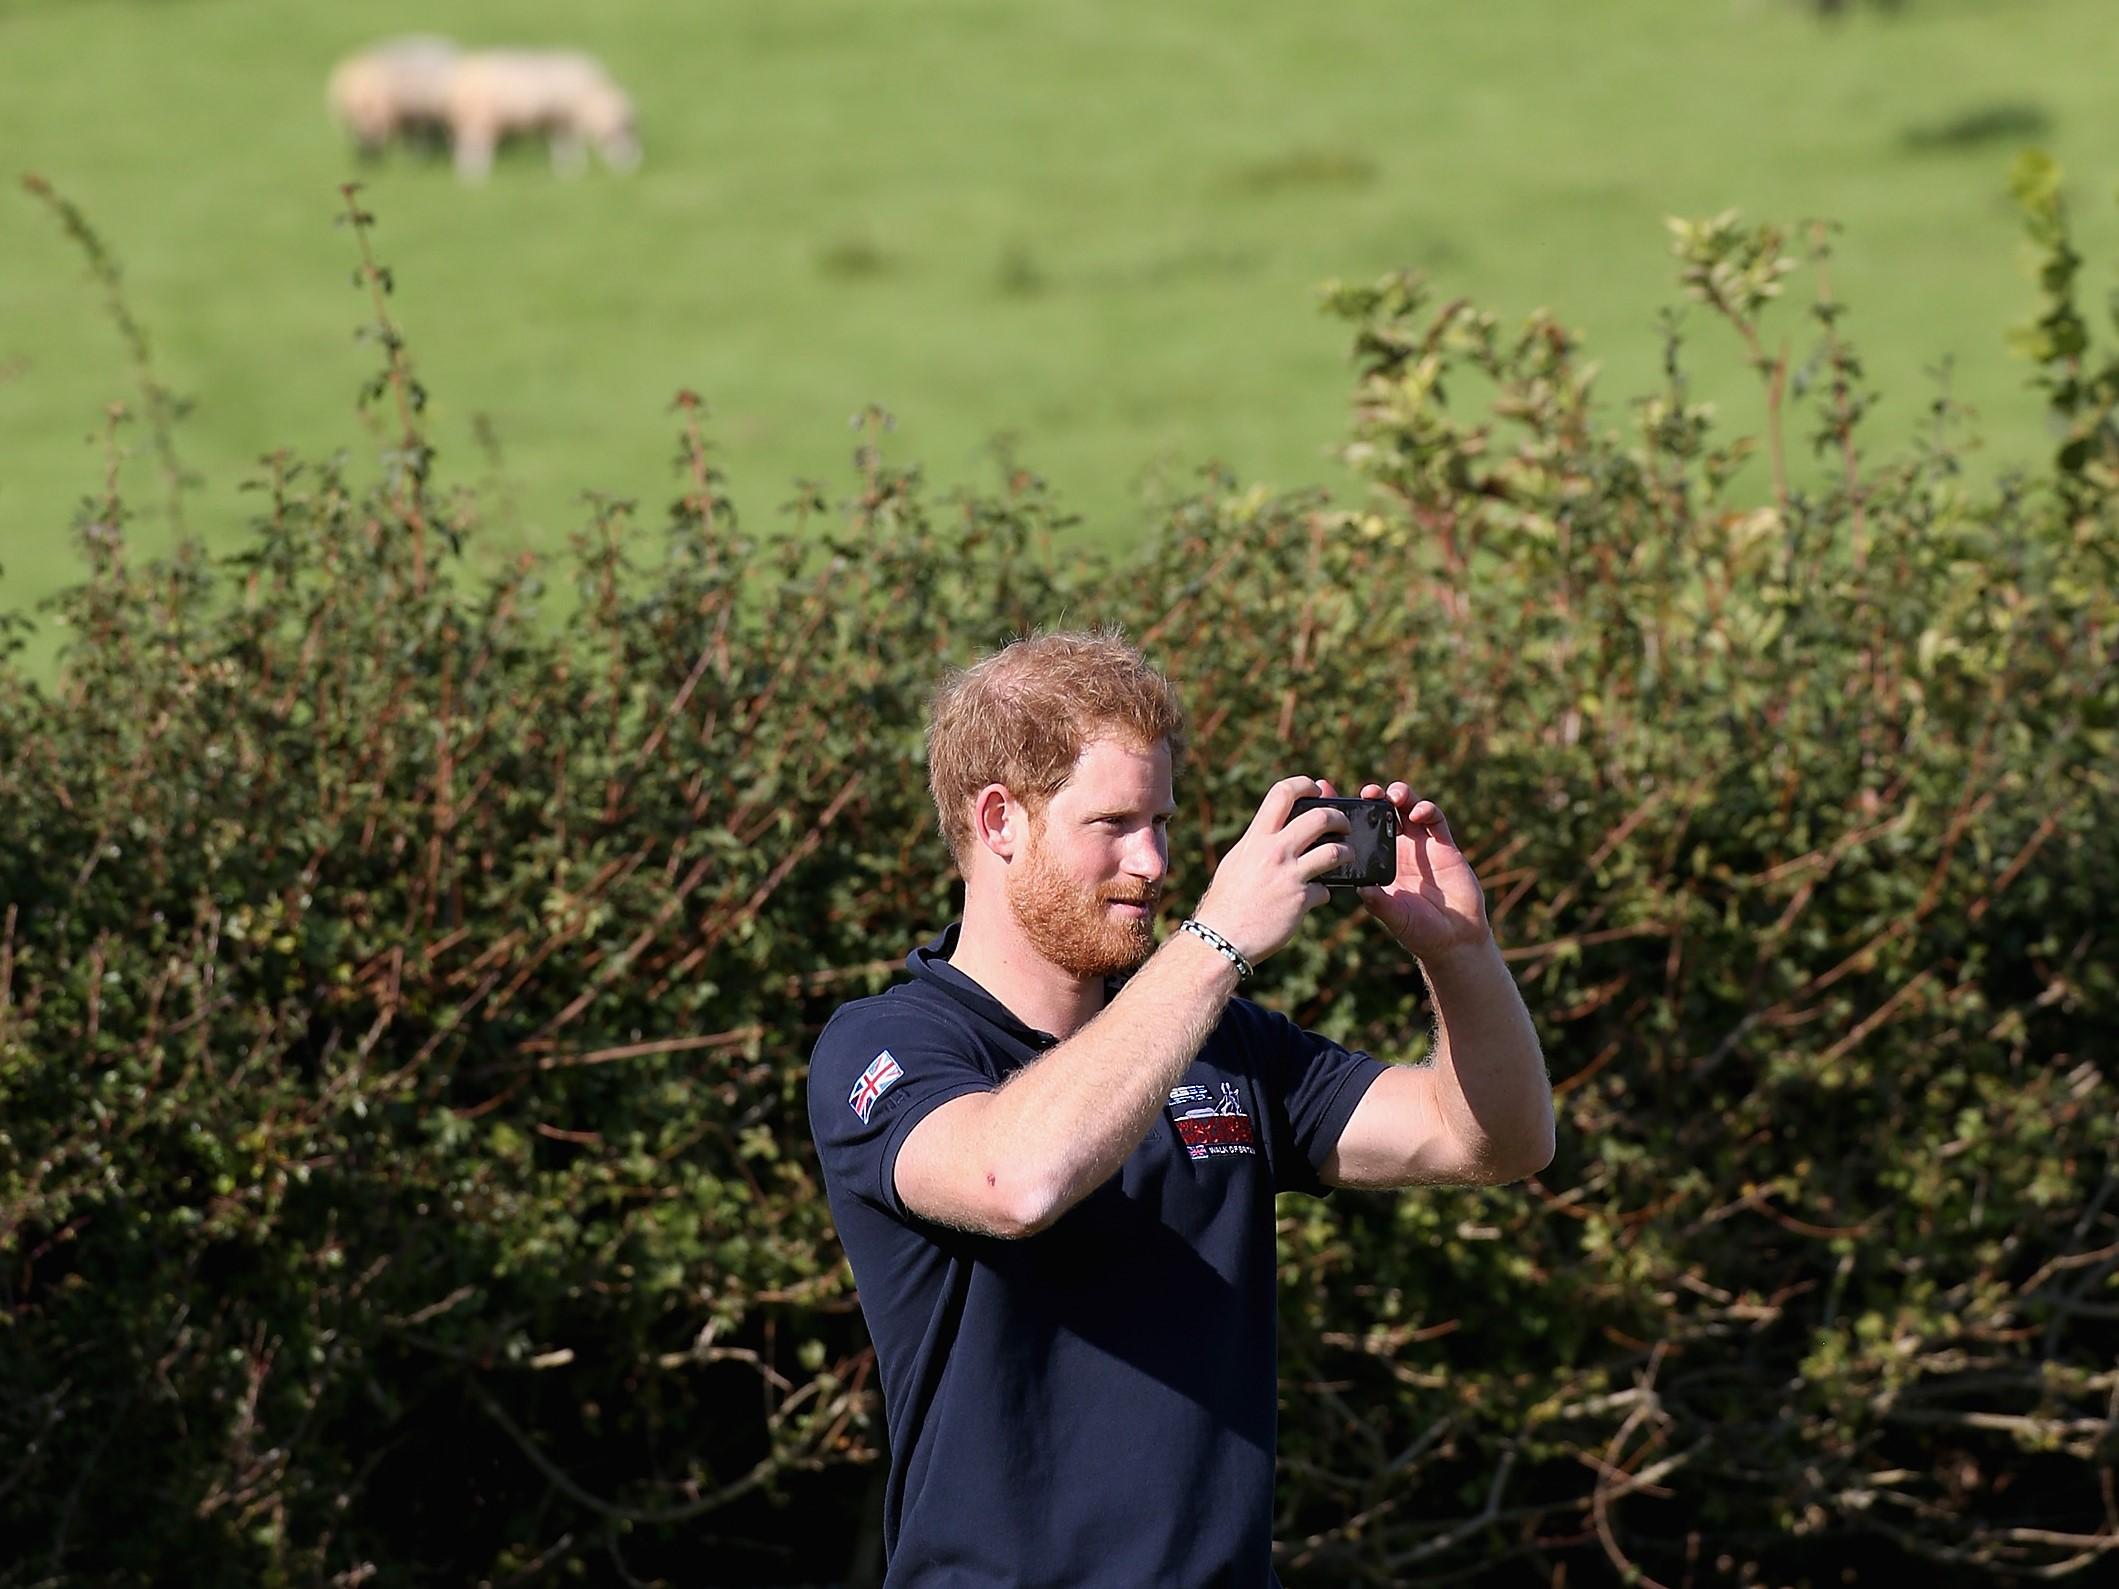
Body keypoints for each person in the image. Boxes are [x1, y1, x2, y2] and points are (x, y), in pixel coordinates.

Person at [806, 629, 1555, 1587]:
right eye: (1112, 824)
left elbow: (1492, 1139)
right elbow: (1016, 1179)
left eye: (1161, 819)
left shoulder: (1225, 1040)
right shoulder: (888, 1045)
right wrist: (1218, 938)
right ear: (999, 820)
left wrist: (1459, 951)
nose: (1154, 861)